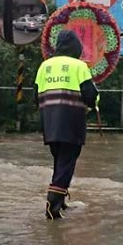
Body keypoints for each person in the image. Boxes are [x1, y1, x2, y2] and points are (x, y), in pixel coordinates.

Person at [35, 29, 99, 220]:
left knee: (59, 162)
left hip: (49, 123)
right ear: (76, 47)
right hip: (71, 122)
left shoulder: (44, 66)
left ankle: (60, 201)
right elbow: (90, 95)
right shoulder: (79, 66)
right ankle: (52, 207)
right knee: (66, 163)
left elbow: (35, 95)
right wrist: (94, 104)